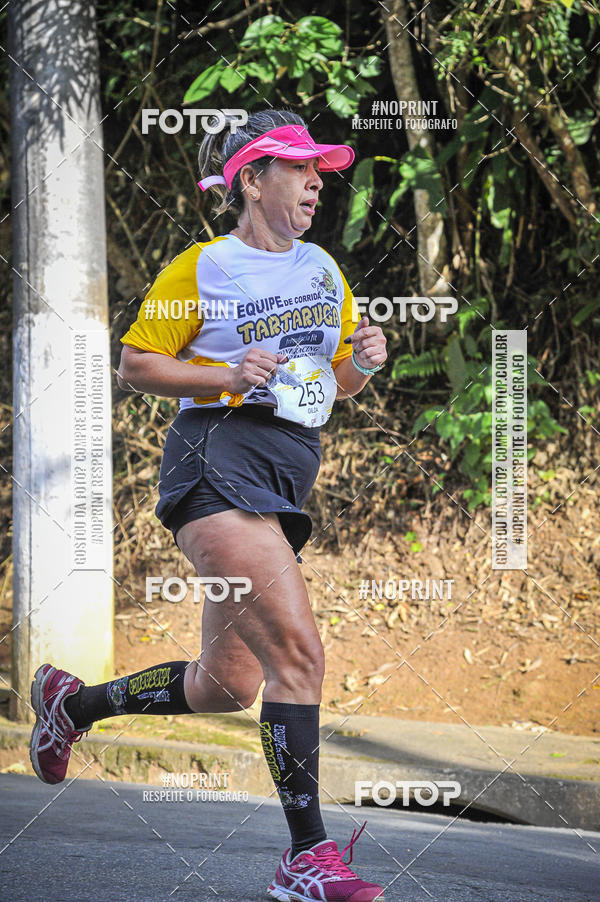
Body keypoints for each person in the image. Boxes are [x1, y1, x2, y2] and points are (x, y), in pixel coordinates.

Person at [29, 109, 387, 902]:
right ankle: (306, 857)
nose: (315, 184)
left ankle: (70, 705)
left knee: (225, 685)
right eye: (298, 169)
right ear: (252, 180)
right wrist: (227, 376)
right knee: (299, 656)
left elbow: (332, 386)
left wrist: (363, 362)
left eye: (319, 172)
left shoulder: (324, 271)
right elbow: (136, 365)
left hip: (284, 482)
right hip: (214, 468)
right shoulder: (202, 267)